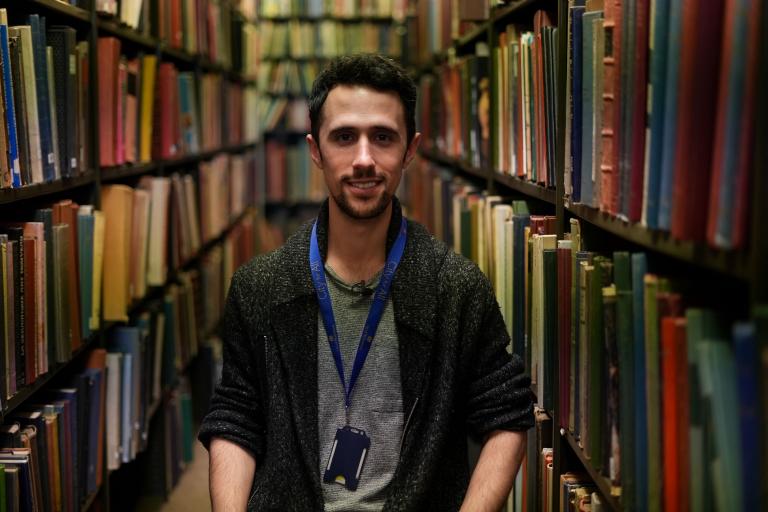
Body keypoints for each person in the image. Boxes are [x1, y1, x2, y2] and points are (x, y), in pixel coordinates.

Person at [198, 54, 534, 511]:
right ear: (316, 150)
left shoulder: (454, 288)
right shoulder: (261, 287)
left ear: (410, 150)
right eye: (344, 137)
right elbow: (237, 417)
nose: (363, 160)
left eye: (382, 138)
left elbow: (508, 415)